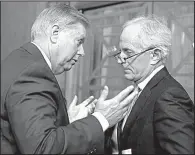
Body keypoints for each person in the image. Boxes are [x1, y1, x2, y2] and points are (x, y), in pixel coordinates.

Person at [0, 4, 139, 154]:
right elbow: (43, 148)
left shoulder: (19, 60)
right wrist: (101, 119)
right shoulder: (33, 74)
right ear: (55, 33)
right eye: (79, 41)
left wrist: (67, 122)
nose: (82, 52)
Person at [105, 15, 194, 154]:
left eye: (128, 52)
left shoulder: (169, 96)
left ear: (155, 55)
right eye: (120, 52)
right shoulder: (136, 90)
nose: (120, 59)